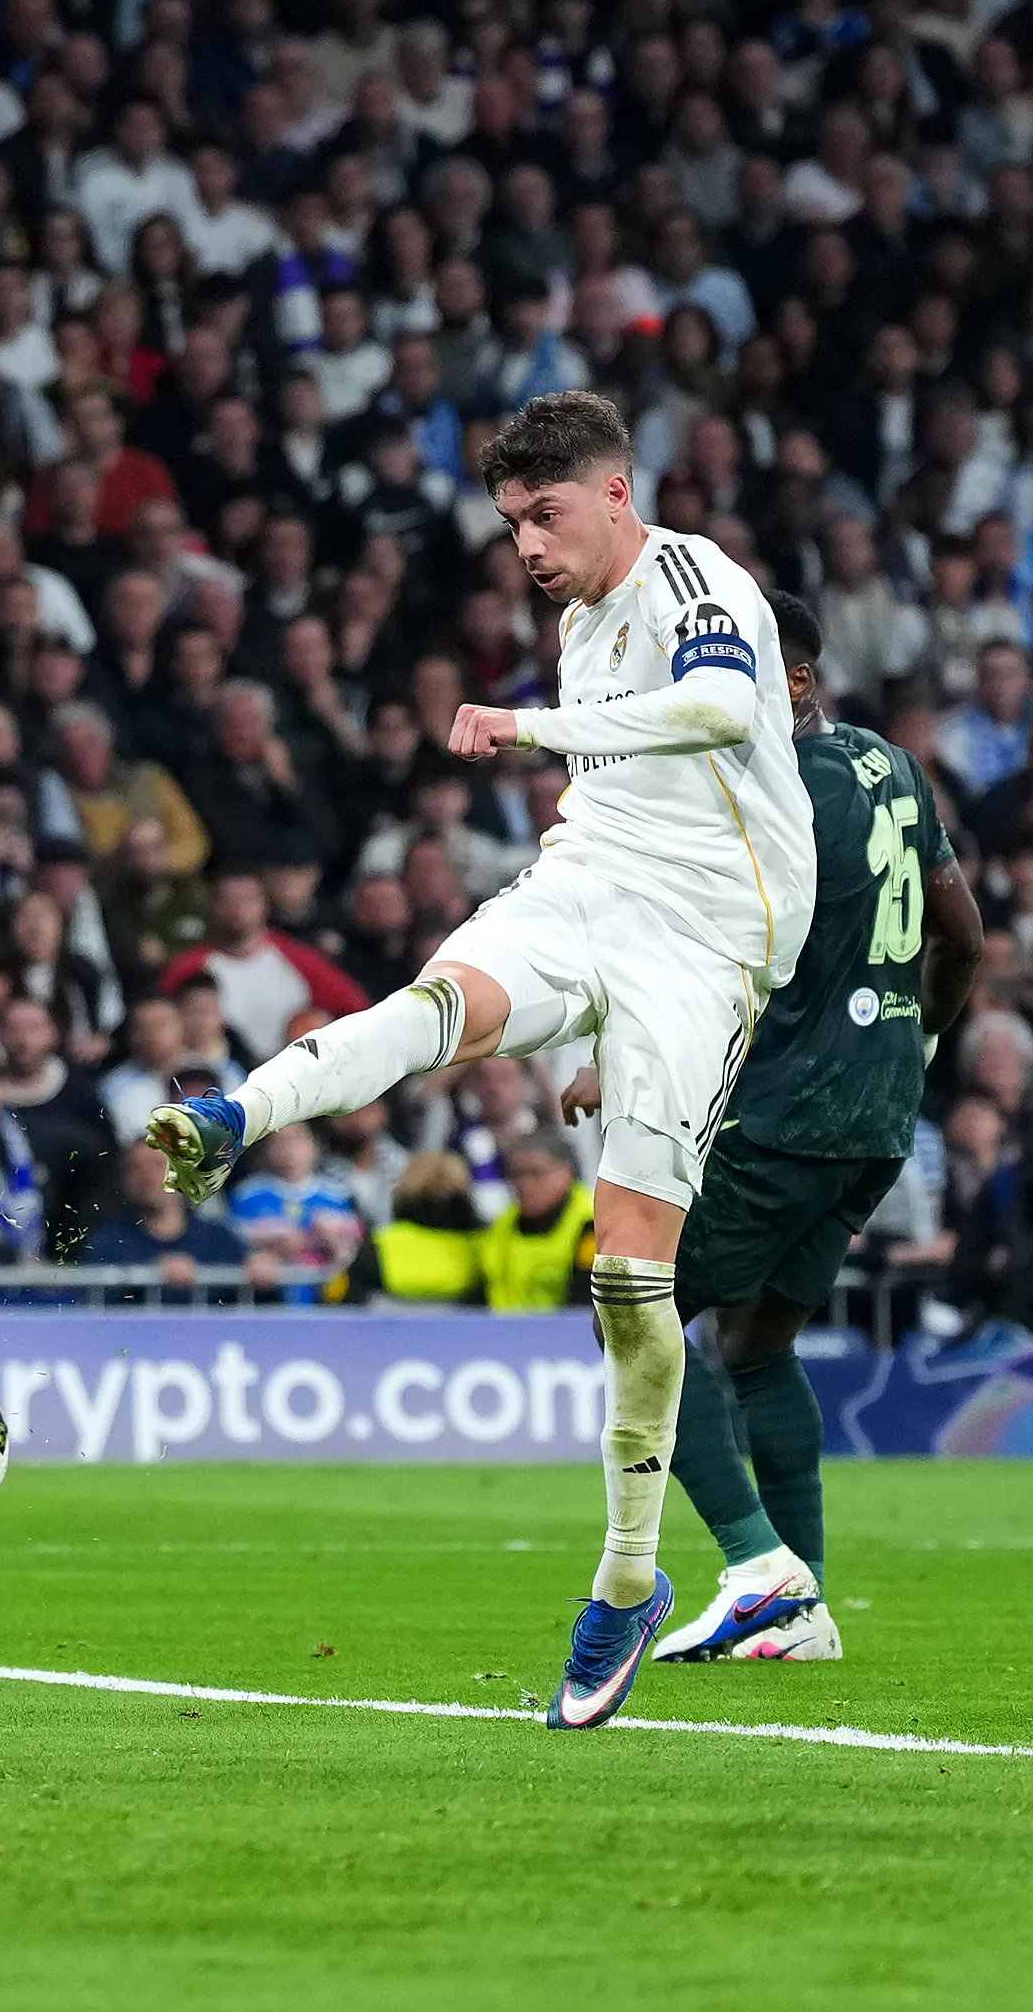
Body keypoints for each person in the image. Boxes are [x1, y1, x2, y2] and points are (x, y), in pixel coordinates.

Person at [146, 387, 812, 1731]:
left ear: (614, 491)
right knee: (434, 999)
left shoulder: (697, 576)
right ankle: (235, 1111)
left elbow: (709, 712)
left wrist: (527, 728)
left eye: (543, 512)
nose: (524, 542)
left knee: (628, 1275)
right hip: (589, 885)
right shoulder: (574, 625)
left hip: (707, 940)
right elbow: (625, 783)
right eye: (509, 519)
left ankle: (628, 1572)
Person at [644, 594, 983, 1664]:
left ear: (795, 678)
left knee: (636, 1302)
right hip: (878, 1112)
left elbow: (723, 962)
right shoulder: (890, 765)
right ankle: (806, 1610)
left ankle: (754, 1568)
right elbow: (961, 937)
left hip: (789, 1109)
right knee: (754, 1343)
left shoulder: (770, 789)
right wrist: (911, 1047)